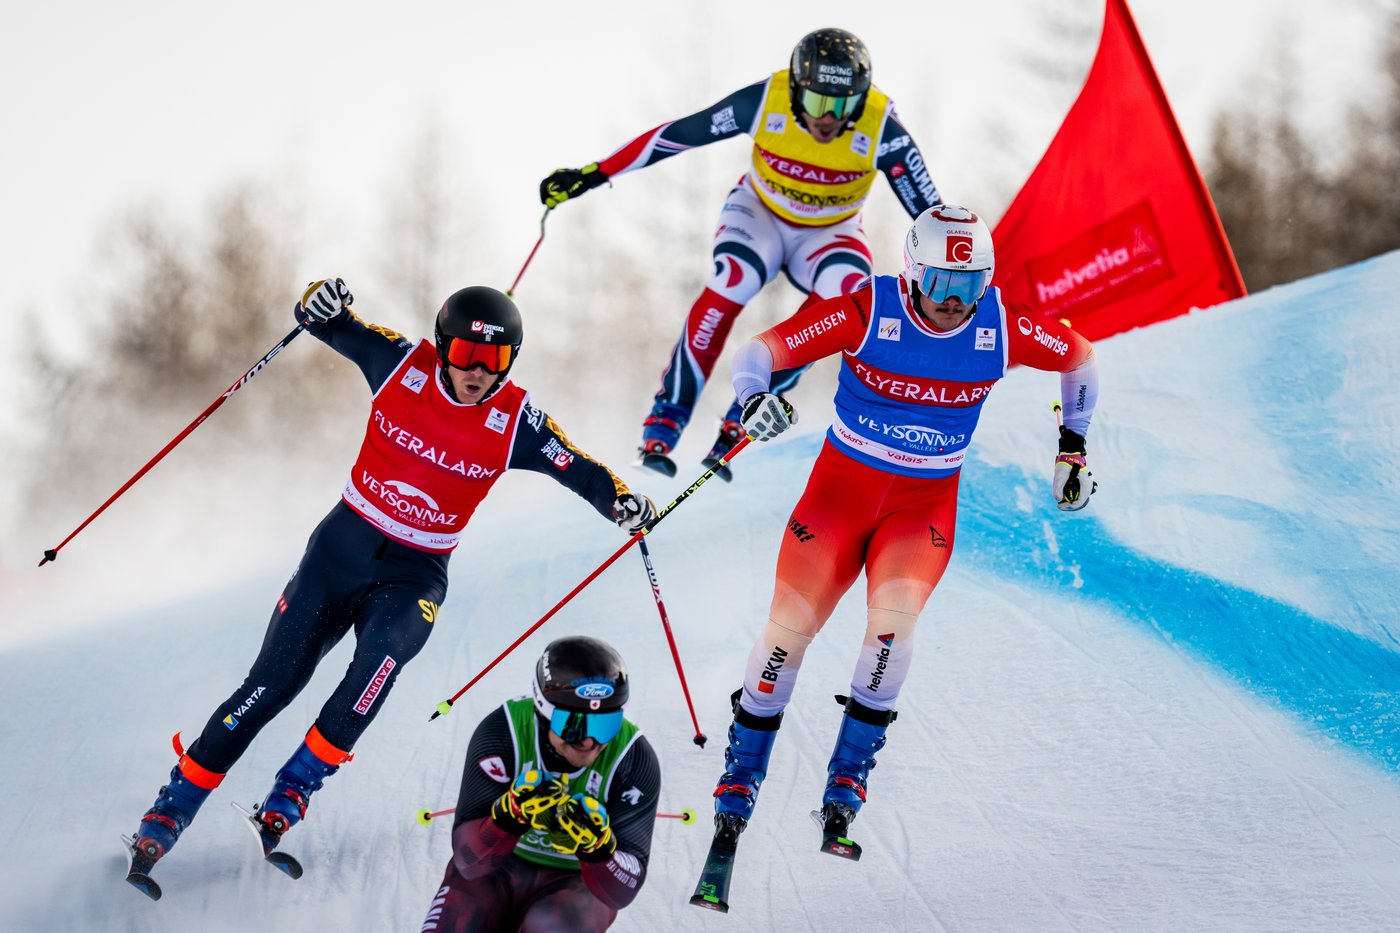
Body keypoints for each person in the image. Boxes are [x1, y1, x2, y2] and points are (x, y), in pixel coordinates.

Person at [125, 281, 657, 890]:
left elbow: (579, 466)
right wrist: (316, 302)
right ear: (441, 346)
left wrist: (620, 502)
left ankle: (290, 795)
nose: (479, 372)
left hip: (414, 575)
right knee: (269, 687)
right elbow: (328, 322)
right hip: (340, 552)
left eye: (497, 360)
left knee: (376, 667)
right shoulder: (400, 363)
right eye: (465, 355)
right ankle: (170, 811)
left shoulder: (517, 420)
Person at [709, 205, 1099, 851]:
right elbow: (761, 351)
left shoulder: (999, 324)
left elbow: (1080, 358)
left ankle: (847, 780)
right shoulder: (868, 310)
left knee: (892, 627)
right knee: (787, 634)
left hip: (920, 513)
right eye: (942, 284)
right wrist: (754, 399)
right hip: (836, 503)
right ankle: (739, 776)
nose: (954, 301)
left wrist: (1073, 446)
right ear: (913, 272)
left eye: (969, 285)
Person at [540, 27, 943, 479]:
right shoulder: (763, 101)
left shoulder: (881, 128)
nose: (827, 119)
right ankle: (665, 420)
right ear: (794, 89)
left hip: (831, 231)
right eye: (815, 102)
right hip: (760, 215)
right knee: (734, 277)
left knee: (850, 295)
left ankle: (746, 413)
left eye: (842, 105)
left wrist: (968, 285)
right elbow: (676, 135)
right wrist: (594, 173)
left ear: (861, 98)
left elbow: (933, 217)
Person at [420, 636, 660, 932]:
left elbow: (622, 892)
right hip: (497, 870)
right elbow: (469, 863)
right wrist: (507, 818)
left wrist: (598, 849)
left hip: (577, 884)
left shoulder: (633, 757)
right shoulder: (503, 732)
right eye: (572, 726)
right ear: (543, 713)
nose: (589, 741)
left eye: (604, 725)